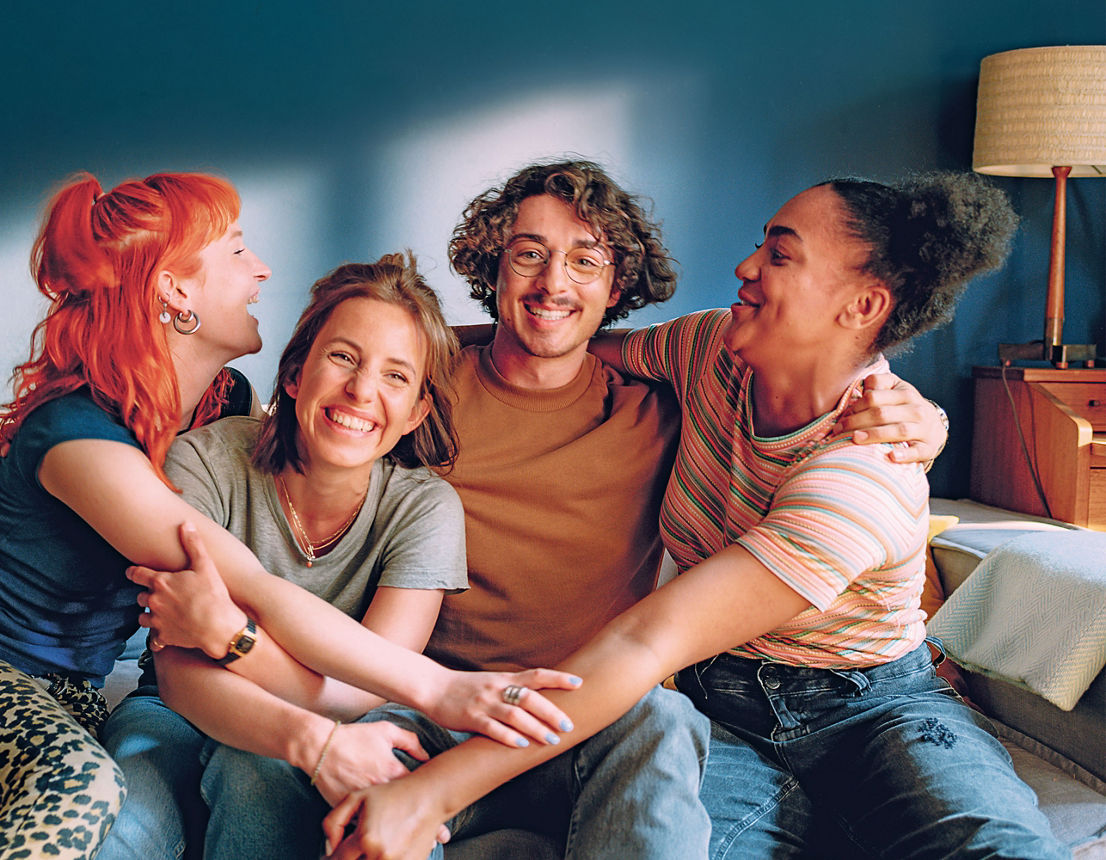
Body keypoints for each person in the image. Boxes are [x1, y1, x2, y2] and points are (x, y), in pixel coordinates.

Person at [153, 160, 950, 859]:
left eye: (584, 261)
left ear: (618, 286)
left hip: (586, 717)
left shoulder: (667, 399)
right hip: (421, 700)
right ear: (492, 270)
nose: (553, 284)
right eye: (527, 255)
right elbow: (329, 402)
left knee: (666, 725)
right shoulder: (414, 394)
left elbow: (654, 639)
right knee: (252, 763)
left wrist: (924, 415)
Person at [323, 173, 1067, 860]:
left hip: (868, 709)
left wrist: (429, 795)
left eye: (778, 254)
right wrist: (414, 350)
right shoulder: (711, 350)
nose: (745, 266)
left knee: (996, 845)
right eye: (760, 244)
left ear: (863, 305)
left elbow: (650, 639)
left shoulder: (865, 470)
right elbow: (569, 340)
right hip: (719, 708)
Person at [0, 173, 576, 860]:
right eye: (235, 252)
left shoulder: (223, 403)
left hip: (67, 699)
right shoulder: (78, 438)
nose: (260, 270)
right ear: (174, 293)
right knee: (83, 787)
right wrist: (439, 690)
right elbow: (250, 582)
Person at [98, 252, 509, 859]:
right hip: (182, 713)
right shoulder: (202, 463)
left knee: (283, 777)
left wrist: (231, 634)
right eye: (343, 357)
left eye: (396, 376)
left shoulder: (425, 509)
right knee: (120, 829)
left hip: (350, 727)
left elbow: (366, 690)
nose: (362, 391)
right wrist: (290, 716)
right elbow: (182, 676)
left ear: (418, 410)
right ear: (295, 375)